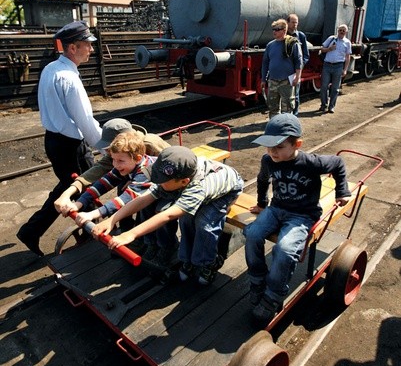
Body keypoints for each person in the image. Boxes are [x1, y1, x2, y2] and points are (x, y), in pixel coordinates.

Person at [244, 113, 352, 326]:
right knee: (252, 234)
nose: (272, 151)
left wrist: (342, 191)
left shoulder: (312, 163)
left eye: (279, 146)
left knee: (284, 250)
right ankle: (257, 279)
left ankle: (274, 294)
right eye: (268, 146)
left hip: (302, 214)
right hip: (276, 209)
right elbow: (262, 179)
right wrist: (262, 203)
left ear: (297, 144)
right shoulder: (268, 160)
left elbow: (338, 163)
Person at [91, 145, 244, 285]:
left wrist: (131, 234)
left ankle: (207, 262)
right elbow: (144, 198)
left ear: (183, 182)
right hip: (200, 183)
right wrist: (112, 219)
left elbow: (169, 215)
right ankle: (188, 259)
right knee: (186, 220)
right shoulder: (173, 178)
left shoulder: (198, 188)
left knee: (204, 223)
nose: (158, 183)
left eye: (162, 181)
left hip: (225, 192)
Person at [16, 21, 102, 257]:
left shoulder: (50, 69)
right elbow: (85, 122)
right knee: (88, 186)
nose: (91, 50)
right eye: (87, 45)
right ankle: (91, 234)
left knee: (68, 187)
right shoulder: (70, 79)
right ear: (72, 48)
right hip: (71, 145)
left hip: (54, 140)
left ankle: (32, 232)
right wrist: (107, 148)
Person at [54, 118, 170, 215]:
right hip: (135, 173)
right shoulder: (119, 153)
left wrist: (140, 181)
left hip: (160, 179)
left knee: (149, 206)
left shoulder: (150, 145)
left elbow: (169, 166)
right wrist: (67, 193)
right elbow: (99, 170)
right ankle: (126, 224)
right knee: (121, 184)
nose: (113, 160)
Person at [261, 18, 303, 119]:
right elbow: (265, 63)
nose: (274, 31)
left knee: (287, 107)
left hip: (286, 81)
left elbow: (298, 61)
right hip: (273, 81)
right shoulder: (270, 45)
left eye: (277, 29)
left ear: (284, 30)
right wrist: (263, 79)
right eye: (273, 29)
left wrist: (297, 77)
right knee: (273, 107)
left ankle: (286, 128)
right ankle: (274, 126)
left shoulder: (292, 44)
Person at [319, 24, 351, 114]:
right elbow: (322, 49)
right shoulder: (331, 38)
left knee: (335, 88)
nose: (341, 32)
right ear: (338, 30)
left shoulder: (347, 43)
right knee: (324, 86)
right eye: (340, 30)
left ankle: (331, 106)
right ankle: (323, 105)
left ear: (346, 32)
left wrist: (345, 69)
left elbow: (348, 57)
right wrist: (329, 49)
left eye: (343, 30)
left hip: (338, 66)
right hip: (327, 65)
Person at [286, 14, 309, 116]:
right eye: (293, 22)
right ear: (287, 23)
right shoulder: (283, 35)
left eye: (296, 22)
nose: (295, 24)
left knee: (295, 95)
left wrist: (300, 66)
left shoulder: (301, 36)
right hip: (284, 70)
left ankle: (294, 115)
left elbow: (306, 54)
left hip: (295, 71)